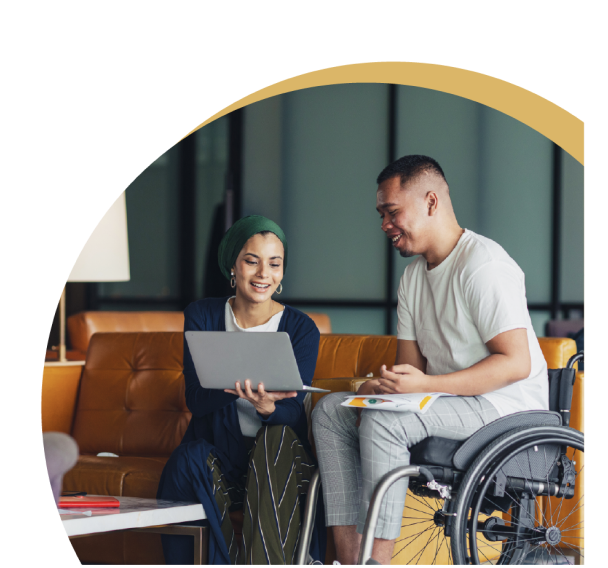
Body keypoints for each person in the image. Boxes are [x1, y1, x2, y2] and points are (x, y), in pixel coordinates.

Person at [312, 155, 549, 565]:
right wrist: (381, 387)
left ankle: (377, 560)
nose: (385, 224)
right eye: (381, 214)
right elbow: (412, 372)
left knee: (387, 420)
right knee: (331, 411)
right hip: (449, 404)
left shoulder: (483, 265)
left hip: (506, 408)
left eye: (392, 212)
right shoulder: (413, 278)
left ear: (432, 202)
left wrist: (420, 388)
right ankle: (351, 559)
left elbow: (516, 364)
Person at [157, 215, 326, 565]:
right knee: (186, 458)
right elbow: (196, 399)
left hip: (281, 461)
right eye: (252, 261)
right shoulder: (203, 315)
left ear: (281, 272)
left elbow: (294, 411)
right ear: (233, 266)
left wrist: (267, 408)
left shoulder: (301, 328)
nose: (264, 273)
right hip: (227, 461)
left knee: (273, 438)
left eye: (274, 264)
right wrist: (235, 386)